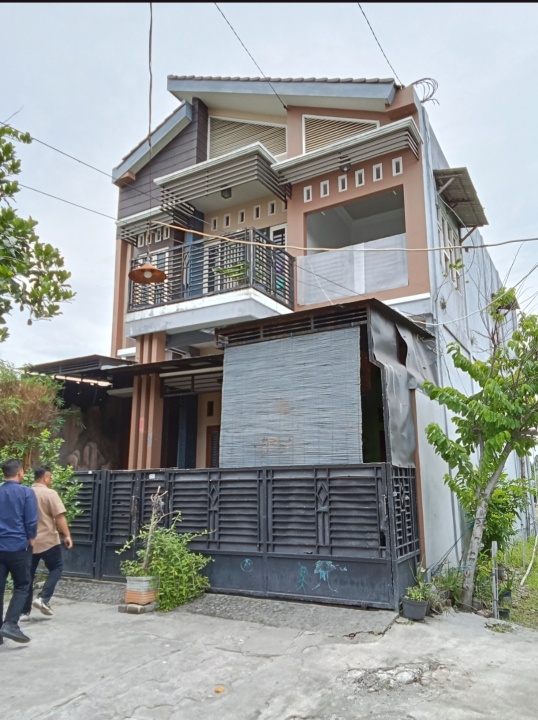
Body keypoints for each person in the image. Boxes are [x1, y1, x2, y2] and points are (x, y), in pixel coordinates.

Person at [22, 467, 73, 619]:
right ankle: (43, 598)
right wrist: (67, 535)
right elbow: (59, 516)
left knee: (28, 575)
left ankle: (24, 611)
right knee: (56, 568)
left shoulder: (25, 493)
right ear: (45, 477)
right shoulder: (50, 494)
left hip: (28, 541)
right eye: (49, 477)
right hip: (48, 540)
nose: (50, 480)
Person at [0, 458, 38, 644]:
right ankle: (11, 624)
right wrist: (32, 540)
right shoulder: (26, 492)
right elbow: (31, 521)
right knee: (22, 585)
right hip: (18, 546)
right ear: (20, 472)